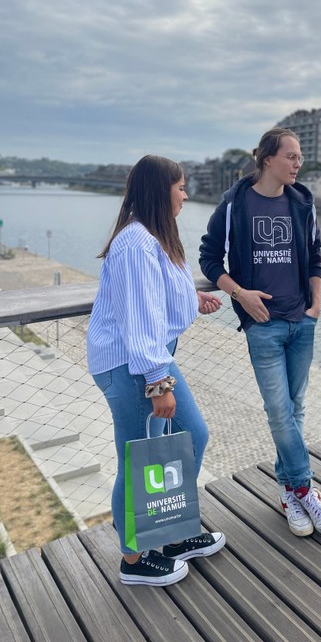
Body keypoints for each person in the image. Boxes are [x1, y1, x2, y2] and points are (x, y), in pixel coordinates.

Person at [87, 155, 226, 586]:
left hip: (149, 358)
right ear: (159, 191)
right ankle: (133, 558)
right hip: (132, 363)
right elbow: (138, 319)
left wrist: (192, 299)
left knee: (191, 436)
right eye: (180, 187)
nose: (186, 194)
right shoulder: (136, 243)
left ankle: (167, 534)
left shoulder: (154, 236)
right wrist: (157, 382)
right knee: (138, 460)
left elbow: (153, 296)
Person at [199, 127, 321, 538]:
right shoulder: (235, 204)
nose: (298, 164)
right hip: (262, 324)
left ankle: (287, 491)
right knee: (279, 411)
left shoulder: (302, 202)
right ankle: (306, 489)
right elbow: (210, 258)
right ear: (267, 160)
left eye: (300, 157)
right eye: (291, 157)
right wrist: (240, 294)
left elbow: (314, 257)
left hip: (302, 320)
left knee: (295, 409)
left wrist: (316, 304)